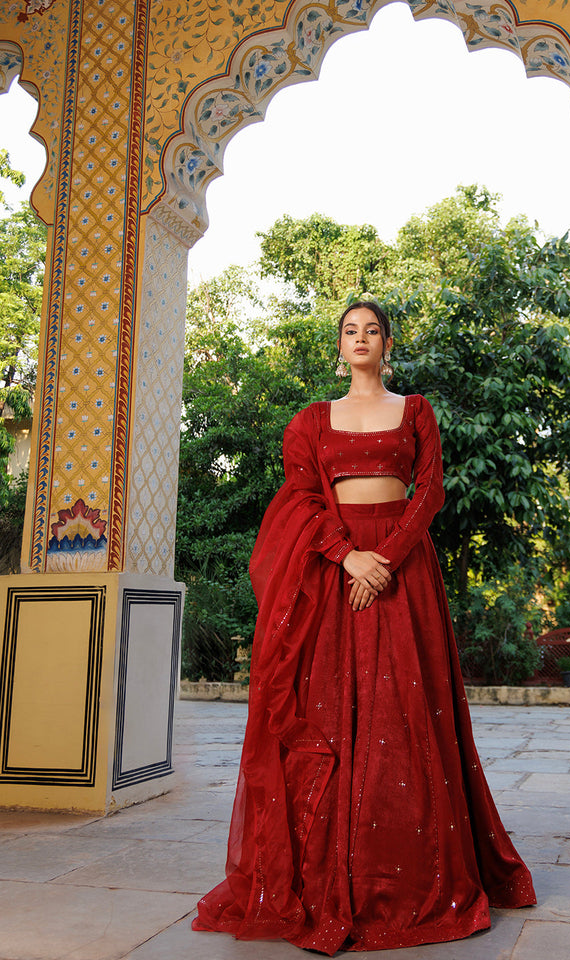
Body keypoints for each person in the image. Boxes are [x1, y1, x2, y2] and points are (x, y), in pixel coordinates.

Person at [192, 301, 536, 954]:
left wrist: (388, 558)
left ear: (387, 343)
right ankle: (329, 876)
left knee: (404, 718)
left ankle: (408, 879)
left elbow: (429, 489)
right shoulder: (311, 422)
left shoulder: (416, 412)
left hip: (402, 572)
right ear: (339, 345)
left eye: (371, 331)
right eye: (350, 331)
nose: (360, 339)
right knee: (329, 715)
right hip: (334, 570)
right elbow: (300, 496)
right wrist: (349, 556)